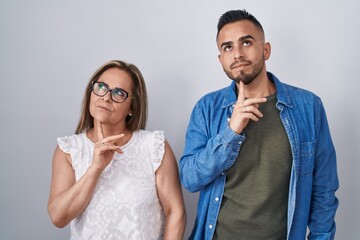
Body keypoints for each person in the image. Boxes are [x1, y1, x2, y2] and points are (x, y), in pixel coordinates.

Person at [179, 9, 339, 240]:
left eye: (246, 42)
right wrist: (230, 132)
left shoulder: (308, 107)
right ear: (220, 59)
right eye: (228, 47)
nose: (237, 54)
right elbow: (190, 179)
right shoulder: (207, 108)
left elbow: (324, 189)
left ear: (266, 50)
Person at [48, 60, 186, 240]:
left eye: (118, 93)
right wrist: (95, 168)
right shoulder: (68, 149)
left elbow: (175, 212)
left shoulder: (154, 146)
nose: (105, 97)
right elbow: (58, 217)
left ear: (132, 107)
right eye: (101, 87)